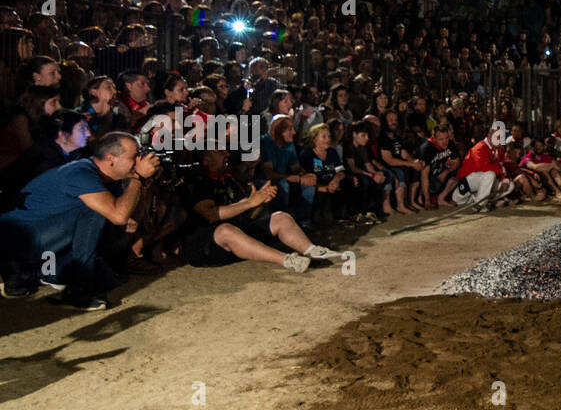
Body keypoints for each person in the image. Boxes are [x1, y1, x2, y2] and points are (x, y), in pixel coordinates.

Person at [0, 131, 155, 308]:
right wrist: (138, 177)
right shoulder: (80, 174)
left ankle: (43, 275)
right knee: (95, 211)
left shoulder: (111, 180)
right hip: (16, 241)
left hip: (46, 245)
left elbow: (130, 224)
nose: (139, 161)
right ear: (111, 159)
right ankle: (76, 290)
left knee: (108, 276)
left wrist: (142, 184)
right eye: (134, 157)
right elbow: (119, 216)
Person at [182, 145, 341, 273]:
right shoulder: (200, 183)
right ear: (206, 160)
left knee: (280, 217)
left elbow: (248, 215)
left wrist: (259, 203)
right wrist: (249, 203)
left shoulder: (230, 181)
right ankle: (287, 260)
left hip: (238, 240)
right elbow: (210, 215)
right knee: (225, 230)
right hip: (207, 248)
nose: (226, 154)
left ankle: (311, 250)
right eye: (219, 151)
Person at [440, 122, 513, 211]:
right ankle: (481, 205)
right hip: (463, 192)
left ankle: (488, 201)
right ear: (489, 136)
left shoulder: (499, 150)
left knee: (510, 185)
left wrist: (505, 179)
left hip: (477, 192)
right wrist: (501, 169)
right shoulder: (479, 147)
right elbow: (483, 167)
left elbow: (503, 167)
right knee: (490, 174)